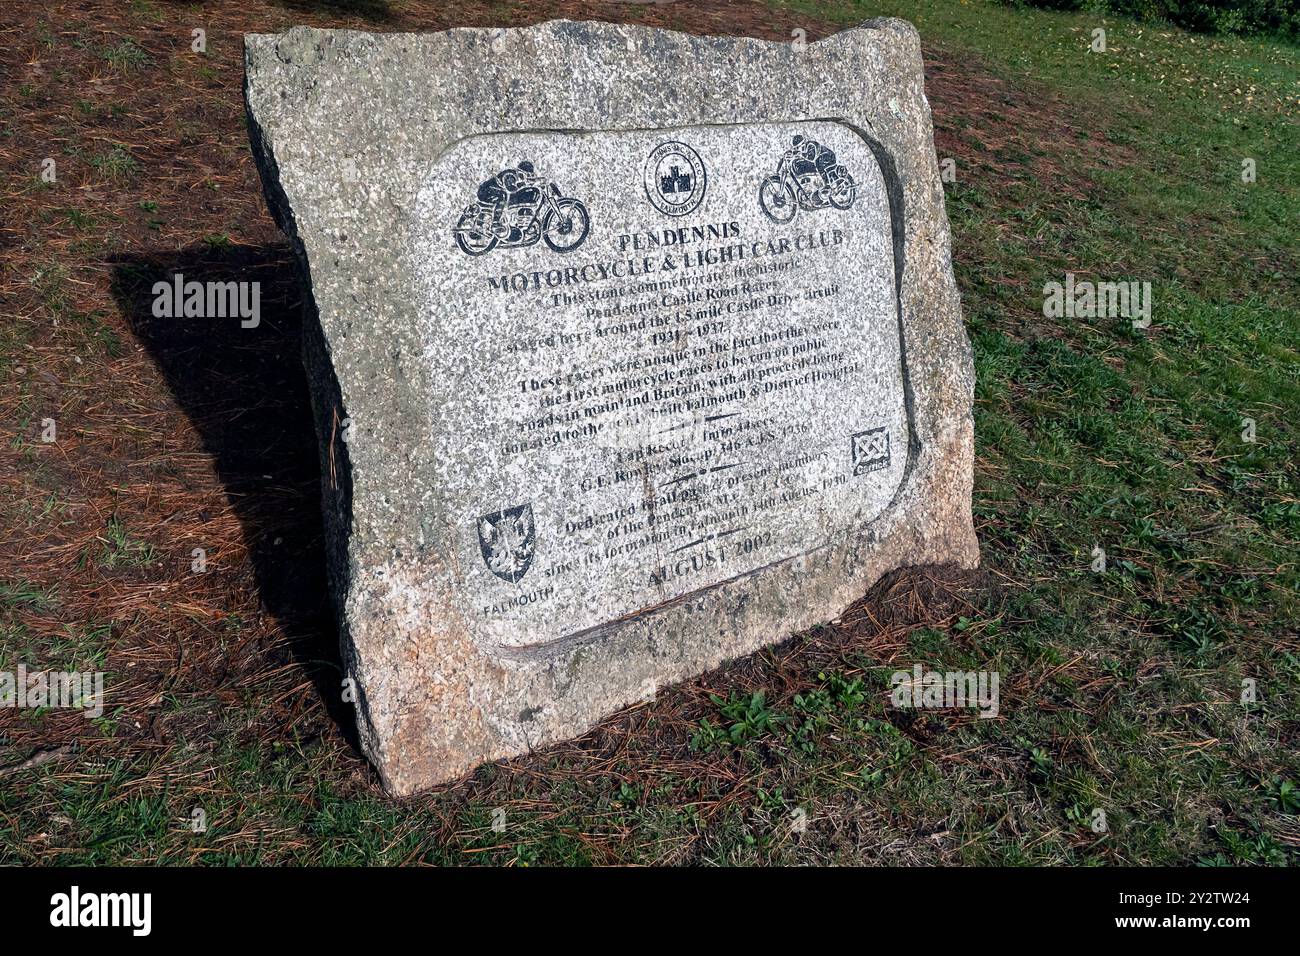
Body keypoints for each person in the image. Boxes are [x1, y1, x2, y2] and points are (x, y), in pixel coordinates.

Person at [476, 161, 542, 238]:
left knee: (505, 197)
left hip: (491, 191)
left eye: (529, 175)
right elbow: (510, 188)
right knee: (503, 196)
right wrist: (524, 186)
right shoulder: (510, 175)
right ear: (520, 172)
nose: (526, 177)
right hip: (486, 190)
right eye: (526, 175)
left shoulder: (517, 177)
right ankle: (496, 222)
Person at [788, 135, 838, 204]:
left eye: (799, 147)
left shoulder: (811, 145)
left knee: (818, 162)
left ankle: (827, 185)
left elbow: (812, 157)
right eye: (796, 148)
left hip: (828, 156)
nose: (798, 149)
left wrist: (800, 154)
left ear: (803, 143)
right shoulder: (802, 151)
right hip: (821, 159)